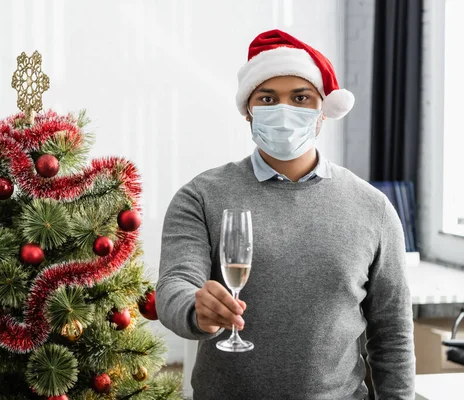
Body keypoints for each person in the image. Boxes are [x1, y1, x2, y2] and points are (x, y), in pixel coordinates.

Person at [156, 29, 415, 399]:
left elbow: (392, 334)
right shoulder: (200, 196)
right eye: (268, 98)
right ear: (248, 111)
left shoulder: (373, 208)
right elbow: (174, 286)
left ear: (322, 110)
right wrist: (196, 308)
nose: (284, 110)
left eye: (300, 97)